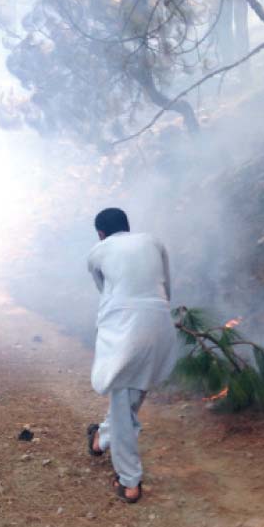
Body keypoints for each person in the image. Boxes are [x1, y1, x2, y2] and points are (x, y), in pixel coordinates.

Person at [84, 207, 180, 503]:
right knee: (130, 396)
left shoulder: (97, 252)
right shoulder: (153, 241)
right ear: (128, 226)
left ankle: (129, 482)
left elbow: (105, 291)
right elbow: (167, 286)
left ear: (101, 233)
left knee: (121, 400)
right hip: (160, 322)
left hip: (124, 328)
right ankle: (101, 439)